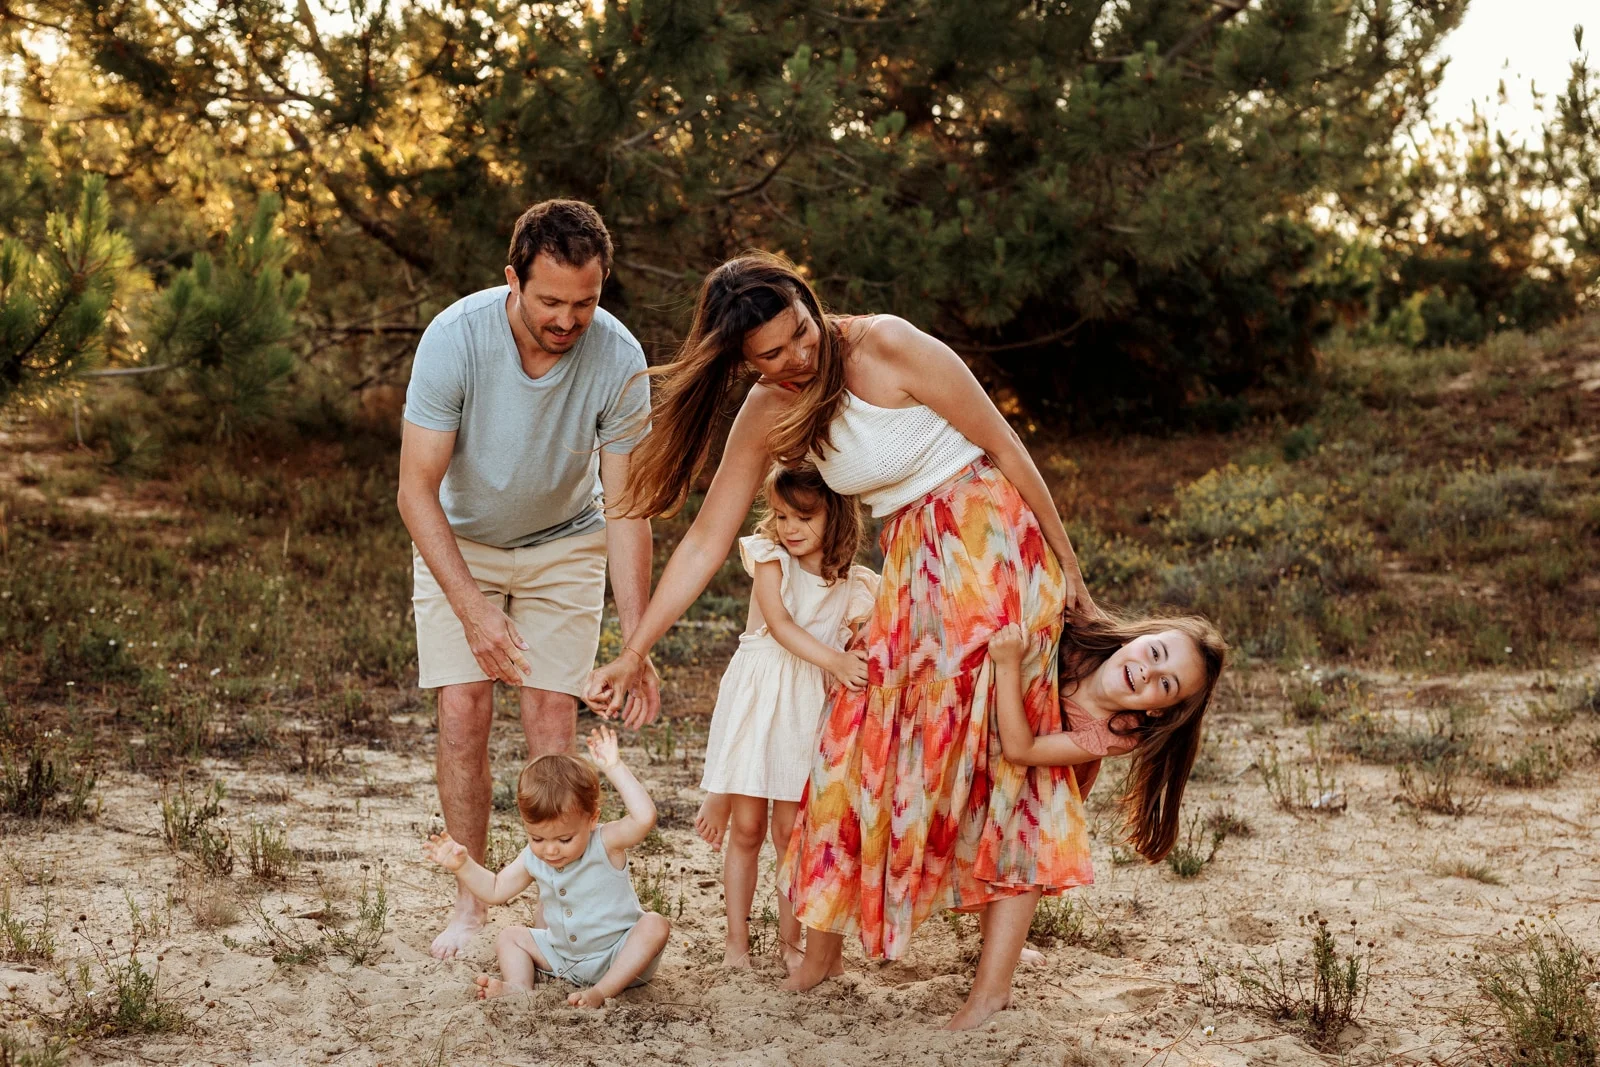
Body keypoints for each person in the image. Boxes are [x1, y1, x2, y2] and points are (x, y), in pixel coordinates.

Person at [584, 252, 1095, 1029]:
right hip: (913, 564)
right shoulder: (765, 409)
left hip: (993, 548)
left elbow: (1009, 450)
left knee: (998, 753)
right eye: (771, 354)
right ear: (741, 363)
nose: (798, 356)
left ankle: (989, 991)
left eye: (800, 330)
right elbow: (704, 541)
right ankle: (821, 951)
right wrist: (634, 647)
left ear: (808, 301)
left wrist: (1073, 575)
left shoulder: (886, 344)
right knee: (852, 741)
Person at [397, 199, 660, 960]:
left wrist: (636, 641)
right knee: (462, 710)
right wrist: (474, 611)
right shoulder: (455, 337)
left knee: (553, 720)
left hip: (562, 541)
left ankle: (561, 905)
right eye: (550, 301)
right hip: (461, 541)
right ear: (512, 279)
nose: (568, 319)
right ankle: (471, 903)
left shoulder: (618, 357)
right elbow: (416, 491)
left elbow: (627, 507)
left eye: (586, 301)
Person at [693, 464, 879, 971]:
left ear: (836, 514)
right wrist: (836, 661)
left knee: (791, 832)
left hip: (807, 710)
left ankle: (790, 939)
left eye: (804, 516)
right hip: (762, 698)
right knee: (748, 827)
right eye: (780, 515)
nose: (789, 527)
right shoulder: (770, 558)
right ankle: (736, 942)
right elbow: (778, 624)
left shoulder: (854, 585)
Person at [420, 726, 671, 1007]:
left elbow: (644, 817)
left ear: (591, 819)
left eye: (565, 839)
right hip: (563, 959)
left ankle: (602, 991)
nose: (550, 850)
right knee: (510, 936)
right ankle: (519, 987)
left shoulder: (606, 842)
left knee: (654, 924)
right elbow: (494, 890)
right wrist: (463, 865)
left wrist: (614, 767)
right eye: (537, 837)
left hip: (619, 957)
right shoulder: (533, 856)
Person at [987, 614, 1228, 861]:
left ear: (1158, 711)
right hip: (979, 762)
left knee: (1007, 891)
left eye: (1166, 684)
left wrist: (1007, 664)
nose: (1149, 672)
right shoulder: (1082, 641)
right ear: (1134, 639)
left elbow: (1021, 750)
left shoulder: (1119, 731)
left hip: (1032, 815)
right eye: (1155, 653)